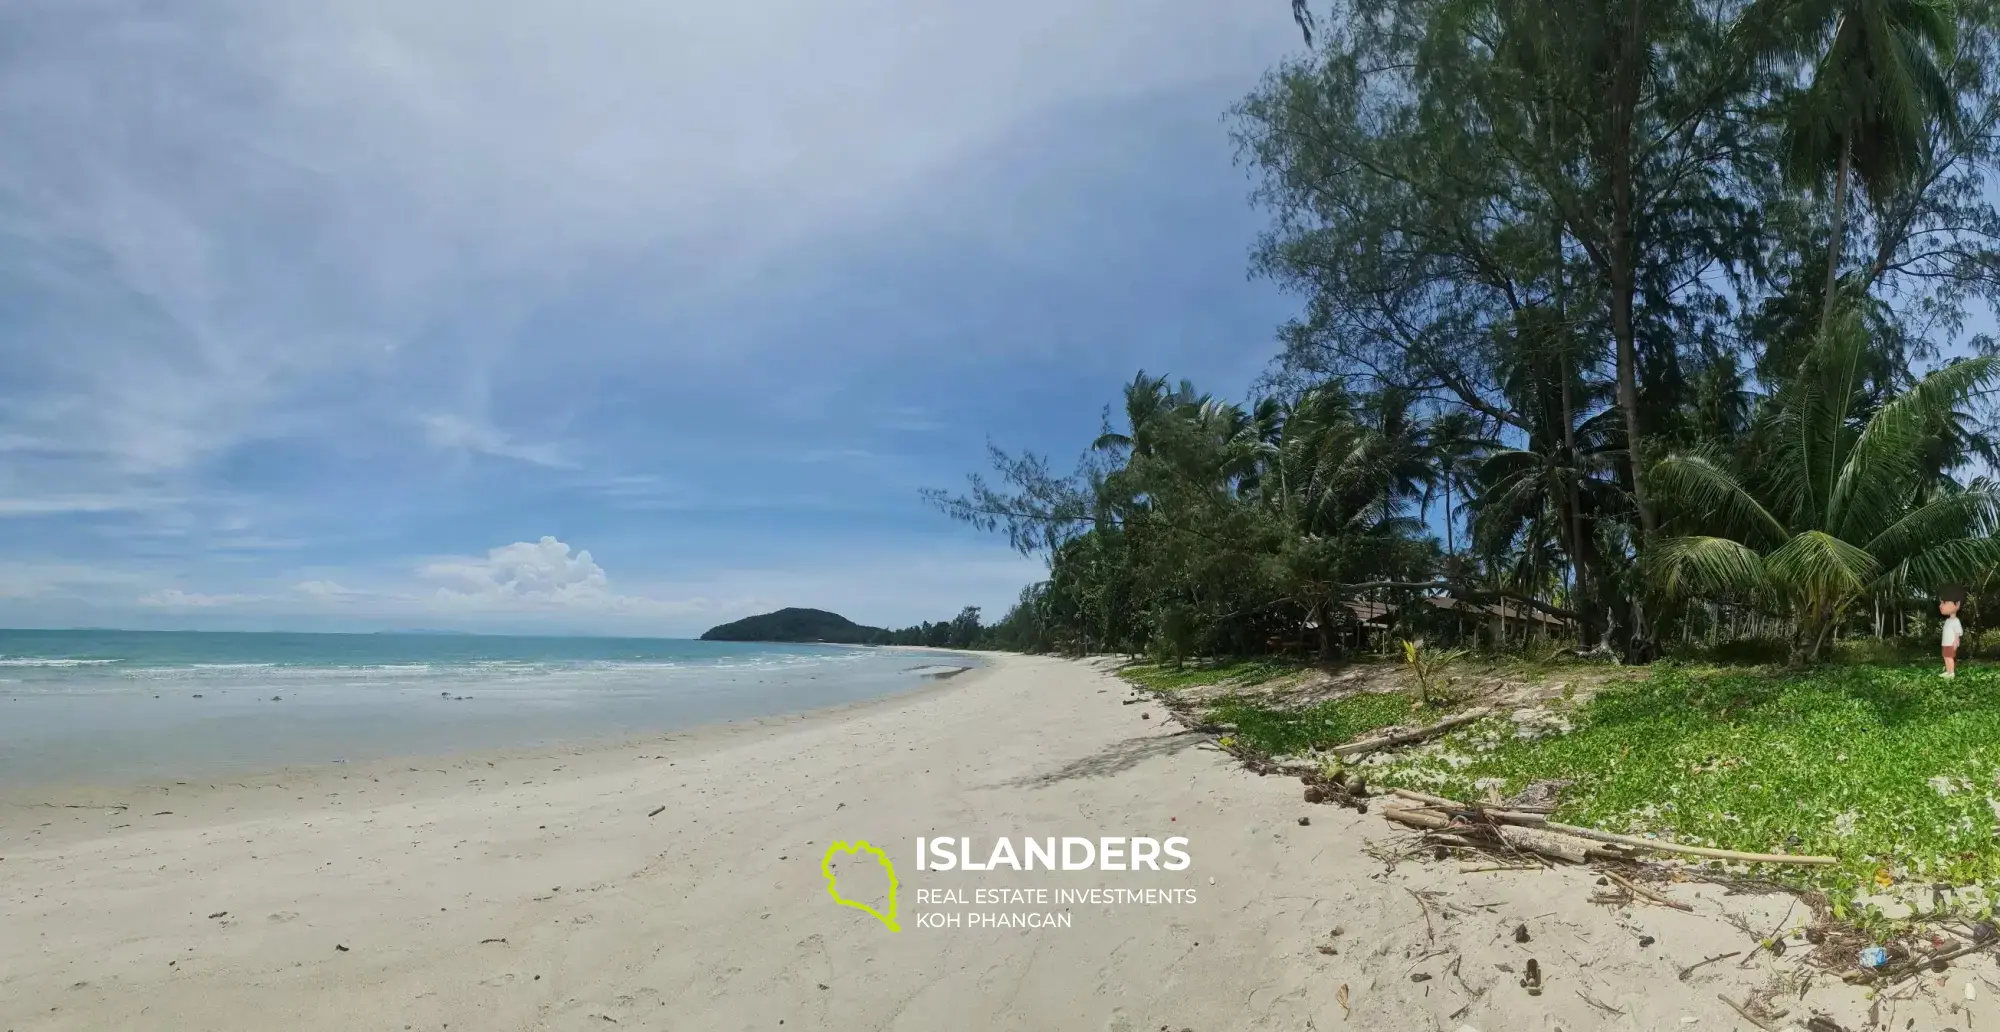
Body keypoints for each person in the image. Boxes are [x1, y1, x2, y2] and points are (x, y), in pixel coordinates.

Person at [1940, 586, 1967, 679]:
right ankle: (1948, 671)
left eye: (1944, 603)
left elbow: (1958, 633)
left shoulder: (1956, 620)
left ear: (1957, 604)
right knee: (1945, 657)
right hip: (1945, 643)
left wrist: (1956, 642)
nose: (1941, 606)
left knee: (1950, 657)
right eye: (1941, 603)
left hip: (1951, 643)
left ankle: (1951, 673)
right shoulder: (1948, 620)